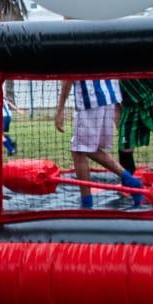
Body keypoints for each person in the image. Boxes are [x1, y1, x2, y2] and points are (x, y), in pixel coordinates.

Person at [54, 78, 129, 208]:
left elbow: (68, 80)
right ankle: (129, 179)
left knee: (79, 149)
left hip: (90, 99)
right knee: (85, 148)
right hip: (108, 98)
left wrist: (60, 110)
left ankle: (87, 203)